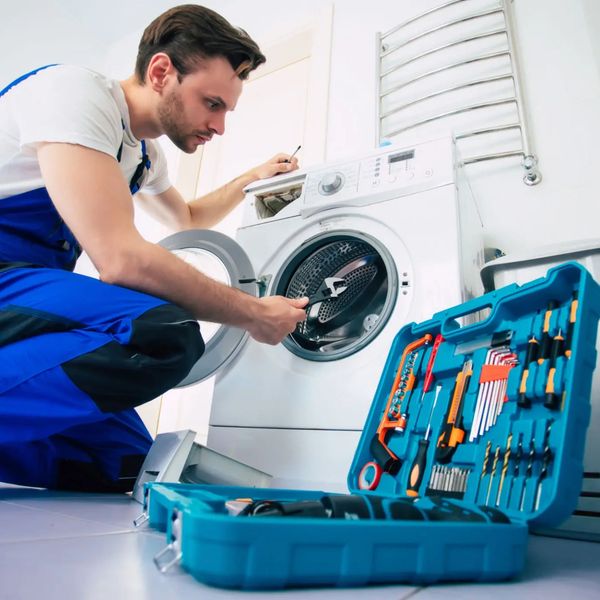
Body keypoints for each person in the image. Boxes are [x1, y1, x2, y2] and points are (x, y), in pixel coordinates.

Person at [0, 4, 308, 492]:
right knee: (163, 334)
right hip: (7, 277)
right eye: (212, 103)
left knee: (124, 462)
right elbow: (120, 260)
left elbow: (186, 217)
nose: (220, 125)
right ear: (161, 71)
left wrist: (253, 177)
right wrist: (253, 313)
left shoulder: (143, 156)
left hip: (23, 286)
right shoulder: (73, 93)